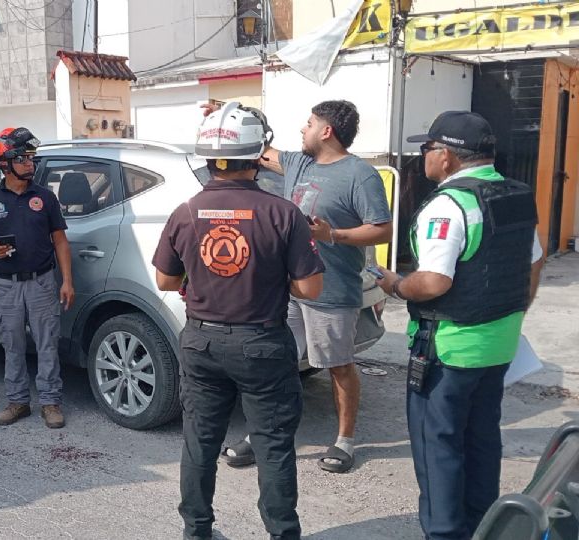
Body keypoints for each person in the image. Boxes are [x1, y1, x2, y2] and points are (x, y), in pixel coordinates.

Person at [154, 102, 325, 540]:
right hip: (262, 344)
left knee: (200, 443)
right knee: (272, 446)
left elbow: (165, 279)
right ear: (258, 154)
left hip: (202, 344)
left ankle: (197, 531)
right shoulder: (283, 213)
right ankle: (282, 533)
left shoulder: (186, 211)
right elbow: (311, 289)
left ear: (208, 158)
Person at [376, 111, 544, 540]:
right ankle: (482, 526)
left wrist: (396, 285)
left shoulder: (449, 206)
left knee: (440, 449)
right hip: (500, 344)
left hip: (449, 351)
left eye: (427, 149)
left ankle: (445, 533)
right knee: (483, 439)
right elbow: (534, 260)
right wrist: (515, 306)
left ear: (446, 156)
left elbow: (433, 281)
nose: (423, 157)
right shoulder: (516, 194)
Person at [214, 100, 393, 473]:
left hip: (331, 291)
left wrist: (334, 234)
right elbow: (259, 152)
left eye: (309, 123)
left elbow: (382, 228)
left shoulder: (360, 175)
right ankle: (259, 434)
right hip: (288, 289)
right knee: (275, 365)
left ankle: (344, 441)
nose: (302, 128)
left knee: (338, 366)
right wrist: (229, 117)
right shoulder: (298, 162)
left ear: (327, 131)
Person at [0, 127, 75, 429]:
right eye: (24, 158)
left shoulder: (45, 198)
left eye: (32, 158)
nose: (31, 163)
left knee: (47, 344)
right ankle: (17, 402)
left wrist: (67, 280)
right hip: (5, 285)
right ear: (5, 163)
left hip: (42, 282)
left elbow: (61, 241)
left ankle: (50, 402)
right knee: (12, 345)